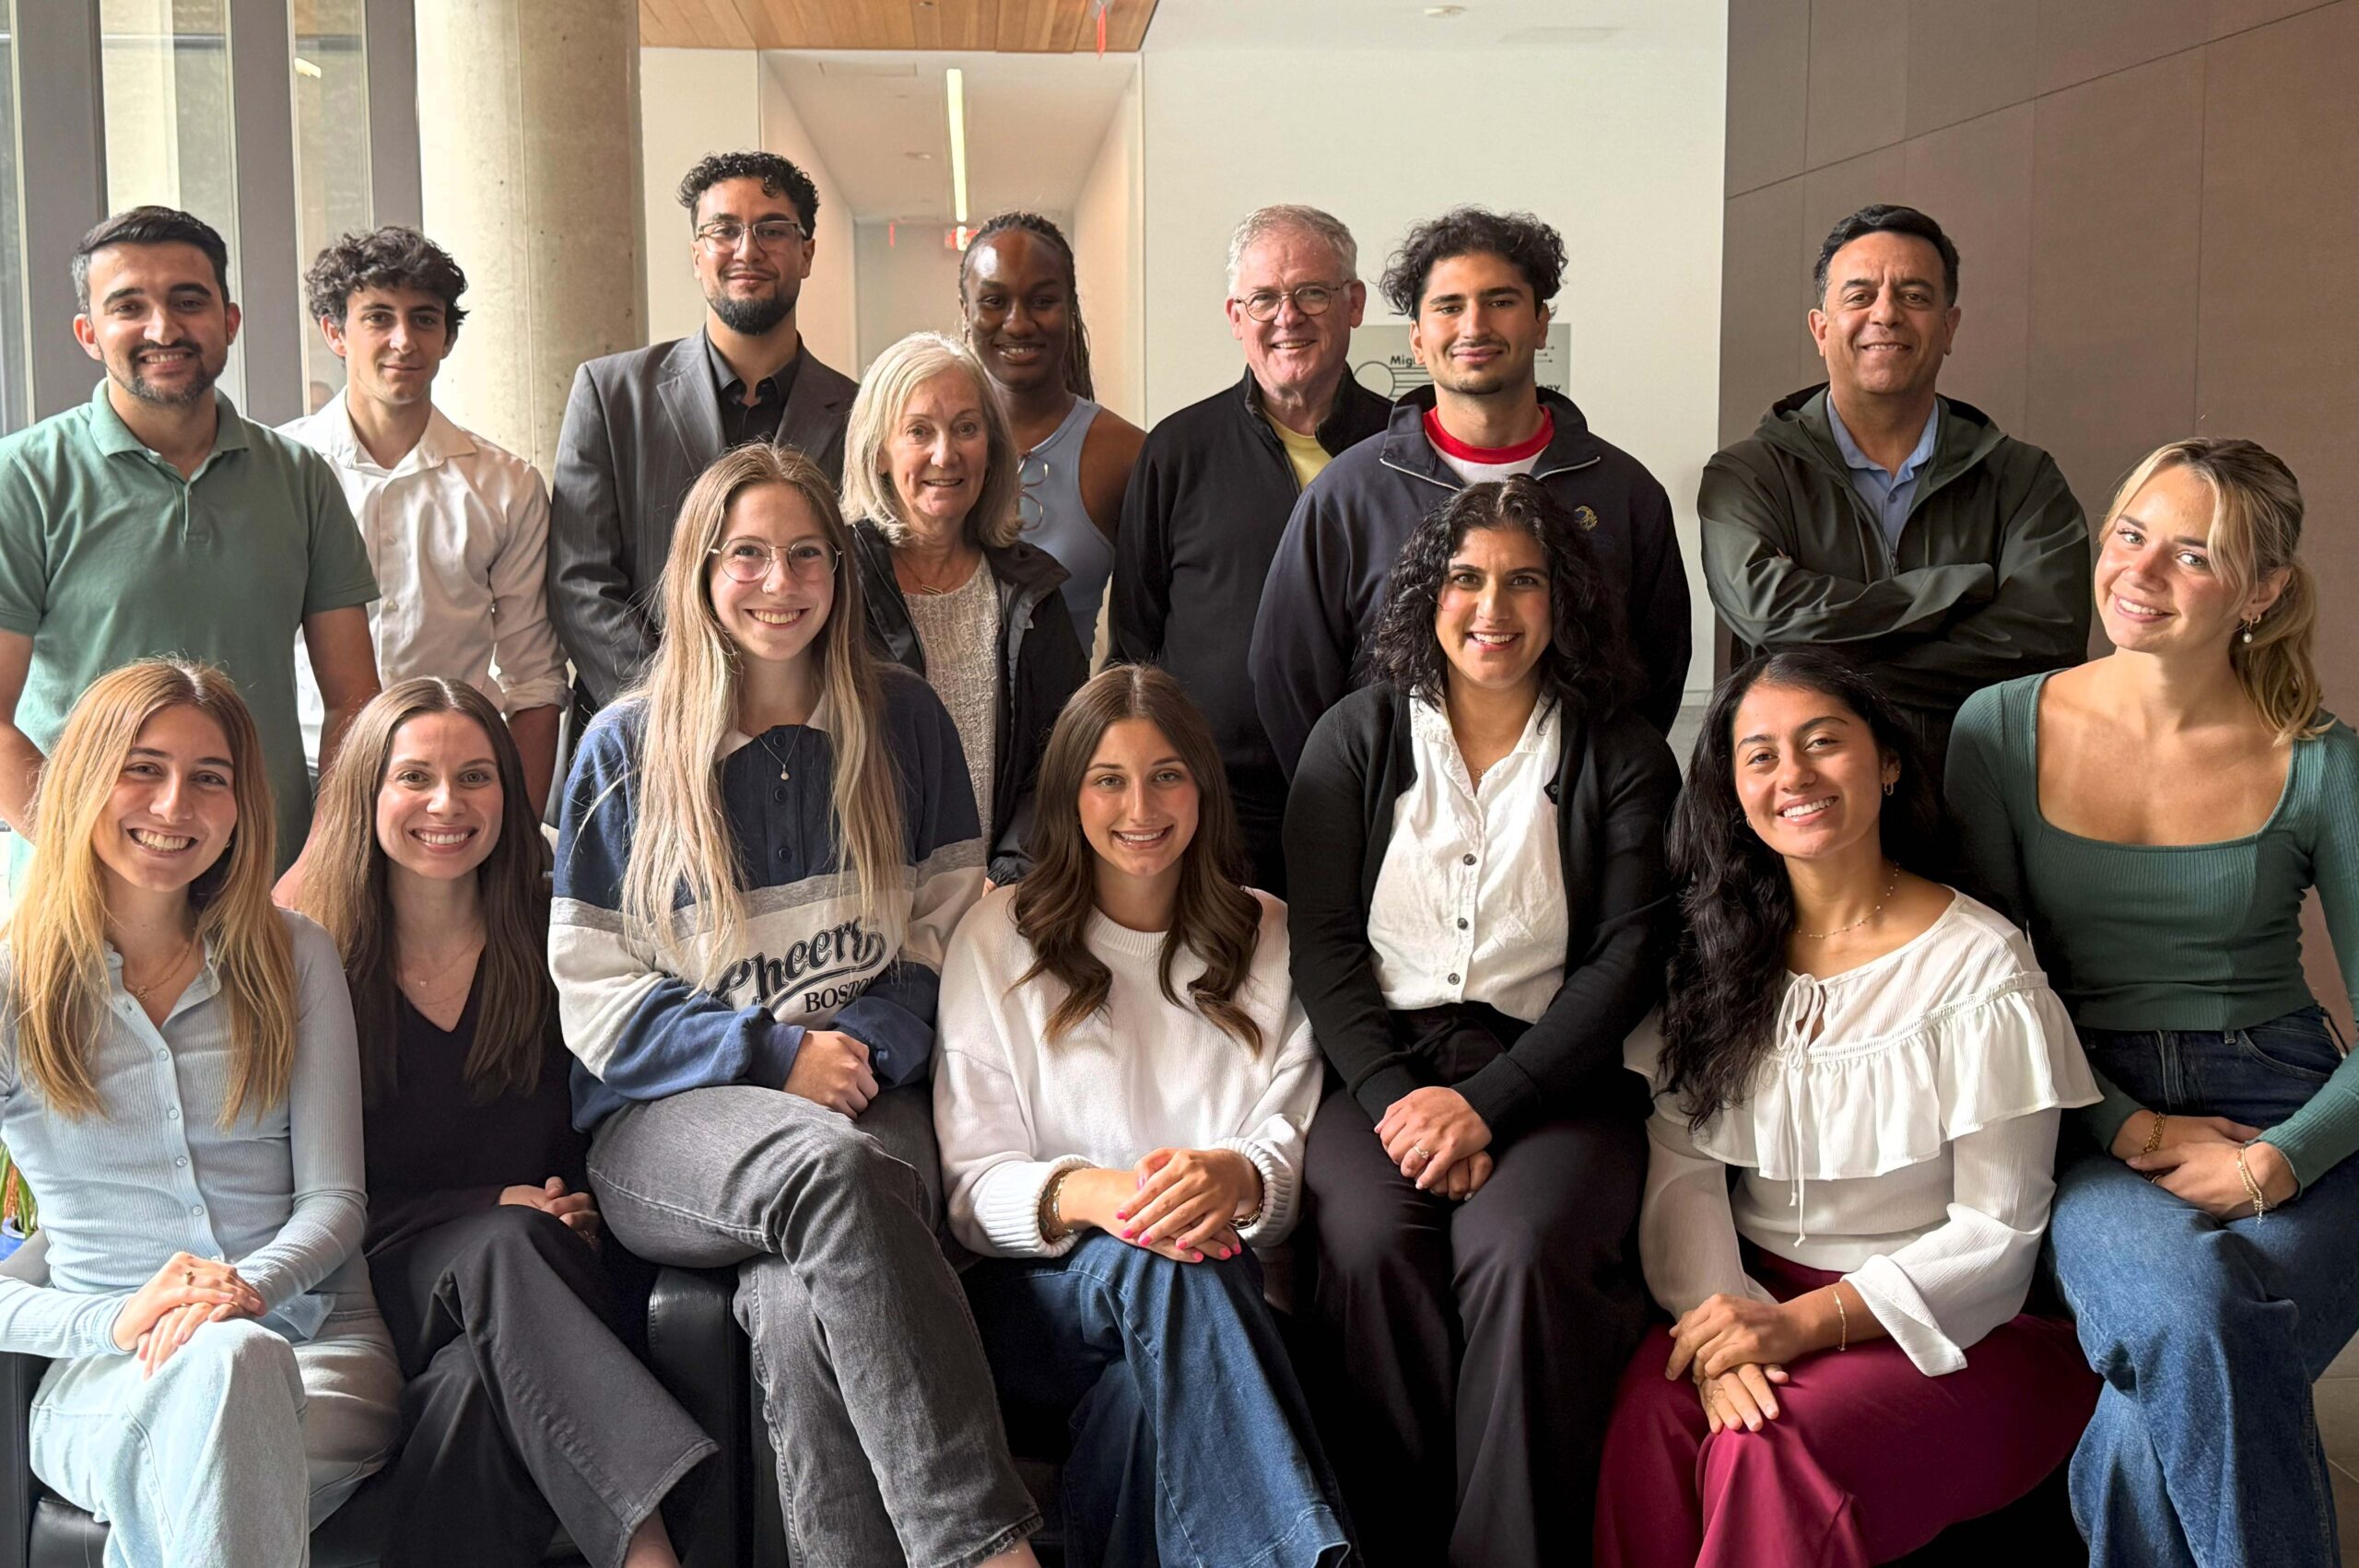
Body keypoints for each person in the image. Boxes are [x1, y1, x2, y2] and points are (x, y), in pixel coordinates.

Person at [551, 443, 1042, 1567]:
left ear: (840, 569)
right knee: (831, 1173)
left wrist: (854, 1044)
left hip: (869, 1085)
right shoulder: (624, 748)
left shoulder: (904, 720)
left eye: (807, 554)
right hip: (667, 1123)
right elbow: (594, 987)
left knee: (793, 1300)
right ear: (701, 570)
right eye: (748, 555)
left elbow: (949, 929)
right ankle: (981, 1546)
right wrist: (772, 1055)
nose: (781, 583)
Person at [1947, 437, 2359, 1568]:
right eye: (2130, 534)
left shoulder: (2322, 761)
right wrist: (2125, 1124)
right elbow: (1989, 1000)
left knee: (2149, 1417)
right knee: (2195, 1313)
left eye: (2194, 555)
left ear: (2261, 591)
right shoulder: (1998, 728)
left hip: (2294, 1111)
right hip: (2082, 1113)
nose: (2139, 571)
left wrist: (2279, 1160)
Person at [1594, 649, 2099, 1568]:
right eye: (1760, 756)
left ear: (1888, 761)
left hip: (1947, 1325)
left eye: (1823, 742)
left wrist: (1799, 1326)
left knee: (1764, 1444)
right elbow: (1684, 1174)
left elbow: (1997, 1235)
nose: (1793, 774)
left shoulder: (1979, 966)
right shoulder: (1715, 953)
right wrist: (1728, 1321)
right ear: (1733, 791)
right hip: (1752, 1293)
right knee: (1651, 1416)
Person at [1286, 475, 1681, 1567]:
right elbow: (1322, 946)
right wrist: (1401, 1101)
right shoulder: (1353, 737)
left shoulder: (1623, 752)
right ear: (1429, 595)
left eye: (1523, 582)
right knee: (1371, 1244)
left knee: (1523, 1249)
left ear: (1564, 600)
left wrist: (1487, 1106)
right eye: (1465, 579)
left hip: (1556, 1072)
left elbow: (1626, 961)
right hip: (1381, 1067)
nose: (1491, 608)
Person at [933, 663, 1352, 1567]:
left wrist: (1238, 1177)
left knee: (1136, 1401)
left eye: (1166, 775)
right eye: (1108, 780)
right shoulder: (996, 936)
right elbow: (971, 1192)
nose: (1140, 807)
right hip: (1041, 1307)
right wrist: (1102, 1195)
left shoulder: (1271, 936)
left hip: (1222, 1302)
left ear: (1202, 786)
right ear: (1068, 796)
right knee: (1167, 1260)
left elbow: (1282, 1144)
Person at [297, 677, 715, 1568]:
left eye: (475, 777)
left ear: (509, 792)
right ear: (367, 792)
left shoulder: (561, 936)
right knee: (504, 1246)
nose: (446, 803)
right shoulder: (312, 959)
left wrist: (575, 1209)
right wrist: (494, 1205)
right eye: (415, 777)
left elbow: (616, 1117)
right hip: (386, 1280)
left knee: (474, 1391)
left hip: (558, 1272)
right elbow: (303, 1190)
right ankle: (650, 1553)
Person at [0, 658, 401, 1565]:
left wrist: (243, 1290)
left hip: (317, 1358)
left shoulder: (295, 956)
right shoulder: (13, 988)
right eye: (142, 768)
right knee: (221, 1402)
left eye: (209, 778)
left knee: (232, 1375)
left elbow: (335, 1201)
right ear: (84, 777)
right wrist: (112, 1321)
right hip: (107, 1380)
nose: (174, 804)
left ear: (240, 805)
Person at [0, 206, 381, 879]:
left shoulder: (299, 479)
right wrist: (83, 861)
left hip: (265, 882)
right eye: (129, 306)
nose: (163, 329)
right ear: (89, 334)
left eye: (188, 301)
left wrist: (321, 862)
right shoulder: (22, 477)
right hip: (73, 890)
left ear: (229, 321)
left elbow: (354, 704)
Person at [1251, 206, 1690, 778]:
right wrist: (1357, 797)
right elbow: (1288, 680)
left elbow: (1656, 674)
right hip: (1394, 819)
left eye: (1501, 301)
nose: (1475, 326)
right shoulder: (1347, 495)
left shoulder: (1623, 492)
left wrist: (1596, 796)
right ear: (1416, 338)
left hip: (1576, 820)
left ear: (1540, 322)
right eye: (1449, 306)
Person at [1699, 205, 2089, 770]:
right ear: (1821, 328)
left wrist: (1815, 672)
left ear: (1949, 327)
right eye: (1860, 296)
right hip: (1805, 795)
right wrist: (1953, 591)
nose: (1885, 314)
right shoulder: (1747, 475)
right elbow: (1768, 615)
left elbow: (2043, 644)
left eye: (1914, 296)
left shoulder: (2024, 478)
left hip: (1976, 792)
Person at [1111, 205, 1393, 893]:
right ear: (1236, 317)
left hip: (1385, 803)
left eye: (1312, 293)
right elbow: (1134, 643)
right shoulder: (1179, 451)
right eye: (1263, 298)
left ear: (1354, 304)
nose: (1287, 317)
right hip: (1216, 813)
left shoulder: (1404, 453)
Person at [548, 152, 859, 724]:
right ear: (697, 255)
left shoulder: (859, 414)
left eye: (772, 230)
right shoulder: (612, 394)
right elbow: (580, 582)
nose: (748, 250)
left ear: (807, 253)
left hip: (811, 729)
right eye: (724, 230)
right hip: (642, 730)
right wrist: (680, 709)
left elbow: (861, 585)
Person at [286, 227, 569, 816]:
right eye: (378, 318)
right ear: (335, 333)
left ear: (447, 338)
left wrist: (519, 832)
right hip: (300, 774)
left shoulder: (506, 485)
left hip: (453, 778)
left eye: (424, 319)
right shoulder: (281, 471)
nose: (403, 340)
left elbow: (535, 679)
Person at [840, 332, 1086, 883]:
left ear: (991, 450)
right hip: (869, 899)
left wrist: (1008, 877)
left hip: (1002, 900)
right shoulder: (833, 586)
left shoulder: (1034, 590)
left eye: (966, 428)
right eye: (919, 431)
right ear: (878, 451)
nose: (945, 454)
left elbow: (1063, 756)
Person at [958, 212, 1144, 650]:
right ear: (966, 311)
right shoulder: (931, 449)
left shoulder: (1126, 454)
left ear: (1070, 307)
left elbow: (1143, 638)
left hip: (1070, 698)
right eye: (994, 301)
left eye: (1042, 301)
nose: (1018, 323)